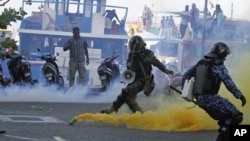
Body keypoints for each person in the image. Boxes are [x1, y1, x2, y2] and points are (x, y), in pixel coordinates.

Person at [181, 42, 246, 141]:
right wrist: (240, 96)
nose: (225, 58)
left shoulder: (201, 63)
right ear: (222, 54)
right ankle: (222, 136)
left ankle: (224, 133)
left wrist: (184, 90)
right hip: (211, 99)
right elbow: (229, 83)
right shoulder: (218, 66)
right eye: (225, 56)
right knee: (237, 117)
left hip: (199, 100)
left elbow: (186, 75)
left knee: (225, 118)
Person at [100, 35, 174, 114]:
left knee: (126, 91)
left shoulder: (148, 54)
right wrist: (129, 65)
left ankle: (138, 114)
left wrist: (166, 70)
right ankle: (114, 110)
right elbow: (128, 64)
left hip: (145, 80)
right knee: (126, 96)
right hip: (135, 79)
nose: (134, 49)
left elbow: (157, 63)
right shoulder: (131, 55)